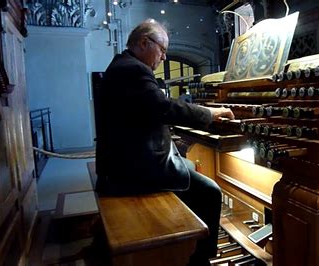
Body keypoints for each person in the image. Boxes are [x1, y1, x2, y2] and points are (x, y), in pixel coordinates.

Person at [94, 19, 234, 266]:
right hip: (132, 171)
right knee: (211, 191)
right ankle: (199, 258)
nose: (164, 57)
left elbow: (148, 111)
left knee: (189, 166)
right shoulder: (132, 70)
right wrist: (210, 114)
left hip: (125, 161)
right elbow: (163, 108)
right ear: (144, 43)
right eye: (162, 49)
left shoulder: (122, 65)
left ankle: (187, 230)